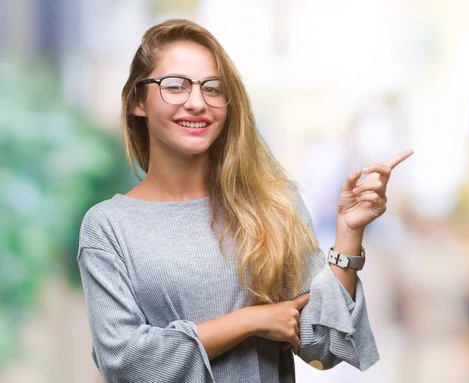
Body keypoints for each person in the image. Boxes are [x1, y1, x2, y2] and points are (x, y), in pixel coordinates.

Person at [77, 19, 413, 383]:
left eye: (212, 88)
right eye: (174, 86)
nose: (196, 102)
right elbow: (126, 361)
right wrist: (250, 321)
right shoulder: (108, 227)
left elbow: (325, 344)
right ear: (137, 102)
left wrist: (348, 233)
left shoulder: (271, 205)